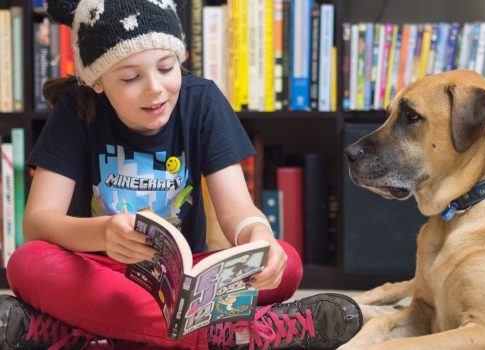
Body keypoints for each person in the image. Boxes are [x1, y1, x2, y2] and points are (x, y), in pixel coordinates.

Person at [0, 0, 362, 349]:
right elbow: (37, 223)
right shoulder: (77, 109)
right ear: (98, 81)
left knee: (286, 262)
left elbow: (237, 209)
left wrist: (258, 234)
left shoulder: (201, 101)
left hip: (185, 286)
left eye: (166, 67)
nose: (155, 88)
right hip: (99, 274)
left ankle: (78, 328)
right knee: (26, 264)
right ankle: (235, 335)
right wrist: (103, 233)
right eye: (130, 77)